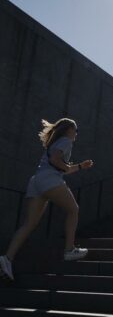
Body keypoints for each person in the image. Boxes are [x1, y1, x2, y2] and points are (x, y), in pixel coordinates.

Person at [0, 118, 94, 281]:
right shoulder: (66, 141)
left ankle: (7, 258)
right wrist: (65, 167)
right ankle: (69, 250)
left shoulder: (54, 143)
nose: (76, 134)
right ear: (69, 129)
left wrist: (80, 166)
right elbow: (55, 161)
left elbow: (58, 165)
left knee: (29, 224)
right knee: (73, 210)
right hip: (50, 180)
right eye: (76, 130)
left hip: (36, 181)